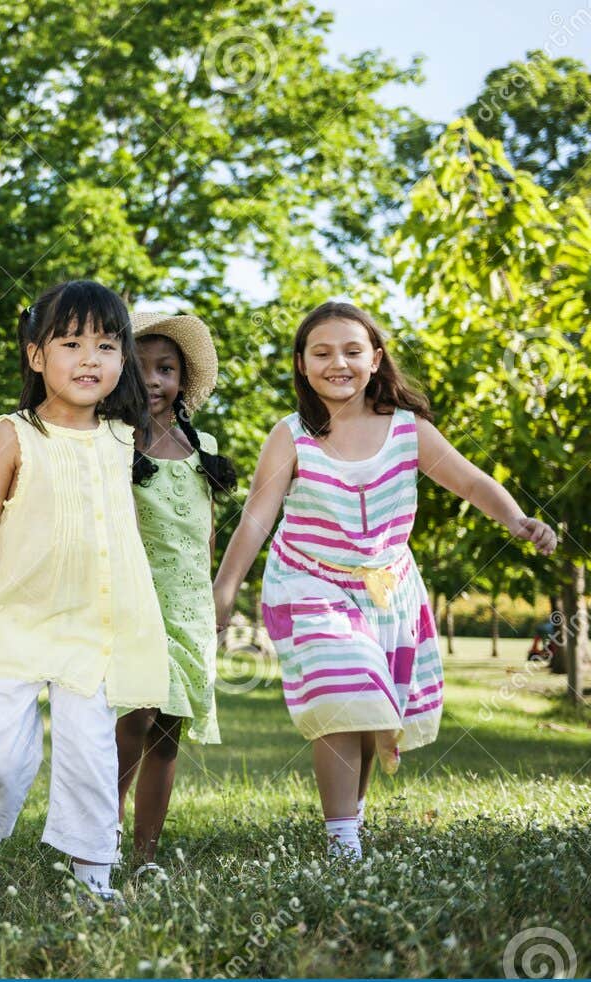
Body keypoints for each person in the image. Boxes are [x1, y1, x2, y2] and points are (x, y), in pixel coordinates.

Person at [212, 301, 557, 859]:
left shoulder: (407, 430)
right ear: (301, 364)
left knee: (372, 706)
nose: (337, 363)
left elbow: (470, 483)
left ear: (375, 359)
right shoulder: (291, 435)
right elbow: (257, 515)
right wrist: (225, 590)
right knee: (346, 687)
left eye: (352, 351)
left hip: (387, 589)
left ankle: (353, 815)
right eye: (321, 353)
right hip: (308, 584)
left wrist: (517, 519)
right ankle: (342, 842)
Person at [0, 280, 168, 908]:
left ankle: (94, 879)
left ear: (123, 357)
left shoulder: (124, 438)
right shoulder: (15, 433)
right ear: (36, 355)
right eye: (71, 343)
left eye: (106, 344)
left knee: (92, 754)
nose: (90, 359)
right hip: (16, 622)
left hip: (93, 629)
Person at [118, 310, 239, 876]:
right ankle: (102, 832)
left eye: (165, 369)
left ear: (182, 381)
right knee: (133, 718)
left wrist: (218, 595)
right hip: (134, 603)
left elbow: (206, 533)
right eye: (140, 368)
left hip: (187, 606)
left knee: (167, 732)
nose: (153, 381)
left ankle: (146, 852)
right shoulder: (115, 442)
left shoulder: (202, 447)